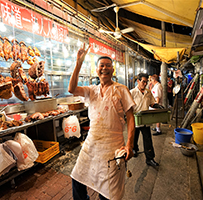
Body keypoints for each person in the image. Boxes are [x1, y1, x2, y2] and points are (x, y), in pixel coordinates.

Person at [68, 43, 135, 200]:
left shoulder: (121, 90)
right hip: (91, 145)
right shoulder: (92, 90)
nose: (104, 68)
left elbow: (131, 118)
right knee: (77, 177)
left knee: (109, 192)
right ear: (96, 70)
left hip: (112, 147)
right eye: (101, 66)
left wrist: (129, 145)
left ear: (112, 70)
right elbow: (71, 89)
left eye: (108, 66)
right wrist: (78, 62)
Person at [130, 73, 159, 167]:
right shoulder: (132, 92)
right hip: (135, 119)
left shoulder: (148, 92)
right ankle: (134, 149)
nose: (145, 83)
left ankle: (150, 158)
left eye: (146, 82)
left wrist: (157, 106)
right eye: (143, 81)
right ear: (138, 81)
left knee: (148, 139)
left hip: (145, 119)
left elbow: (152, 103)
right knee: (134, 136)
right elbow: (128, 107)